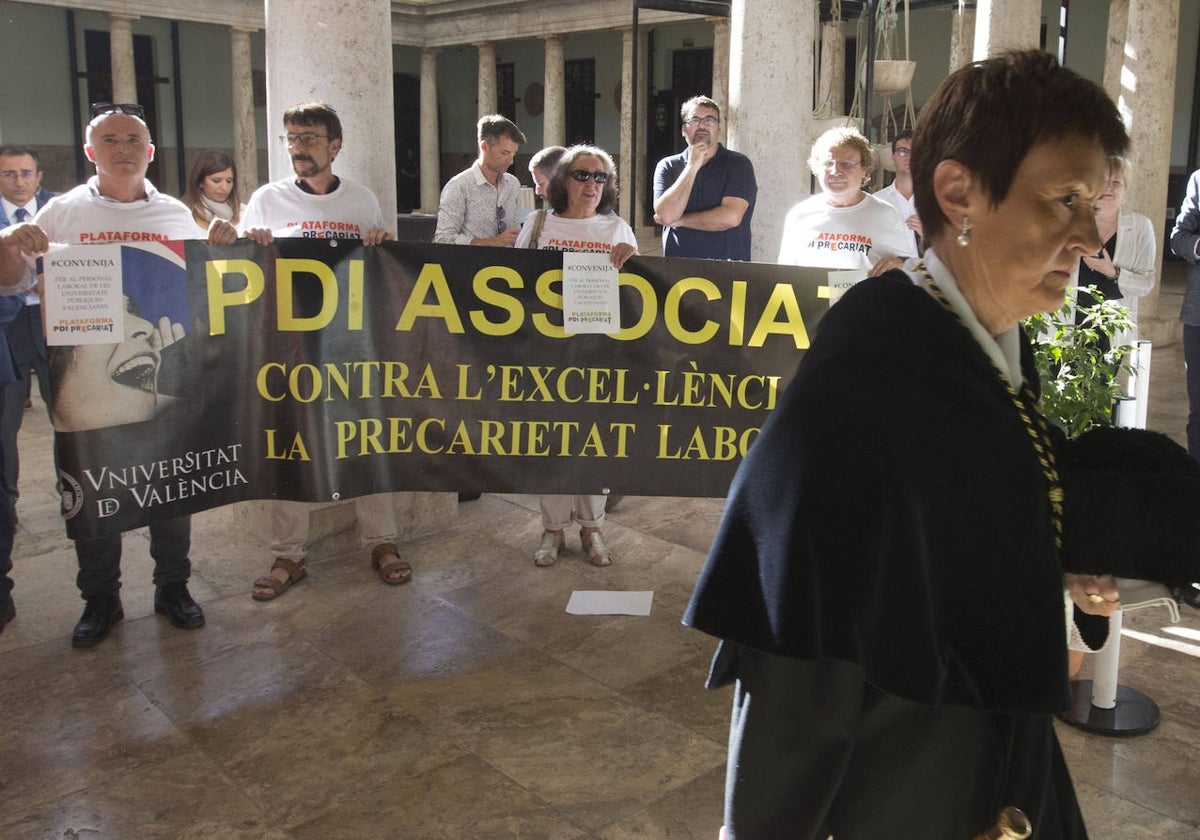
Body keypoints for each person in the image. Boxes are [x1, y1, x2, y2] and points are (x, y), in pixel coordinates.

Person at [684, 51, 1133, 839]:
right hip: (905, 790)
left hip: (998, 762)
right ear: (959, 192)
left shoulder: (975, 344)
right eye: (1065, 199)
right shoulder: (865, 377)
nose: (1089, 235)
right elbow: (796, 664)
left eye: (1094, 203)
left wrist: (1046, 552)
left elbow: (953, 513)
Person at [0, 102, 238, 648]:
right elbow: (12, 283)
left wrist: (228, 245)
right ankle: (100, 599)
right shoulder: (60, 212)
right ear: (91, 152)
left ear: (150, 152)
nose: (123, 148)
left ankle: (173, 587)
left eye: (133, 139)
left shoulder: (176, 214)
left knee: (171, 480)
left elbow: (210, 285)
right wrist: (13, 249)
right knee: (91, 486)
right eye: (110, 140)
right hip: (82, 381)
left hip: (155, 373)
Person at [240, 101, 412, 601]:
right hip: (289, 349)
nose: (298, 148)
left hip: (351, 346)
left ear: (335, 146)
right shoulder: (266, 200)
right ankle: (288, 554)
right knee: (289, 446)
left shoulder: (360, 201)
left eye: (310, 138)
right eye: (291, 138)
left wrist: (381, 242)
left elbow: (382, 270)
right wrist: (249, 245)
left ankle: (382, 542)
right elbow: (241, 272)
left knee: (367, 438)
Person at [514, 145, 637, 567]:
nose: (591, 184)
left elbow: (636, 297)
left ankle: (592, 528)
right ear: (563, 180)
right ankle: (551, 531)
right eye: (582, 175)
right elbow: (512, 282)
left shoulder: (616, 228)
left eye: (600, 178)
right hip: (545, 351)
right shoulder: (537, 224)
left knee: (591, 443)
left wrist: (632, 264)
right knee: (550, 443)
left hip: (595, 352)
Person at [0, 145, 56, 523]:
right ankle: (8, 504)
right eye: (9, 174)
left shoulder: (61, 209)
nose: (19, 181)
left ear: (39, 176)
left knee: (67, 413)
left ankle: (74, 492)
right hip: (8, 327)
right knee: (6, 422)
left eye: (25, 173)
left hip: (56, 323)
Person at [778, 126, 915, 276]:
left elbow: (909, 269)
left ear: (864, 169)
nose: (835, 172)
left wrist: (899, 264)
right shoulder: (800, 215)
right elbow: (785, 274)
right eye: (828, 164)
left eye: (847, 164)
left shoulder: (887, 214)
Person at [652, 95, 757, 261]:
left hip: (728, 271)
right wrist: (692, 166)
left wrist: (680, 221)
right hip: (676, 271)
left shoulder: (738, 165)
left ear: (719, 129)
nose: (702, 125)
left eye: (710, 120)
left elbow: (731, 217)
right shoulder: (668, 166)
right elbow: (665, 215)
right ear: (683, 130)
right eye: (694, 120)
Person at [433, 114, 526, 247]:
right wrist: (491, 242)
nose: (511, 161)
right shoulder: (459, 186)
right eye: (505, 153)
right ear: (484, 147)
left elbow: (516, 230)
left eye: (514, 154)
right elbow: (443, 238)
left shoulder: (513, 184)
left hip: (508, 265)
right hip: (471, 265)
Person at [873, 129, 922, 254]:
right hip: (887, 272)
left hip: (926, 272)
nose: (909, 157)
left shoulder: (936, 201)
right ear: (893, 156)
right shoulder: (876, 202)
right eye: (903, 152)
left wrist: (929, 236)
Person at [180, 149, 243, 233]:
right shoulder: (182, 215)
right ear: (200, 182)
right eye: (216, 181)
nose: (224, 187)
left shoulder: (244, 213)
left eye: (229, 181)